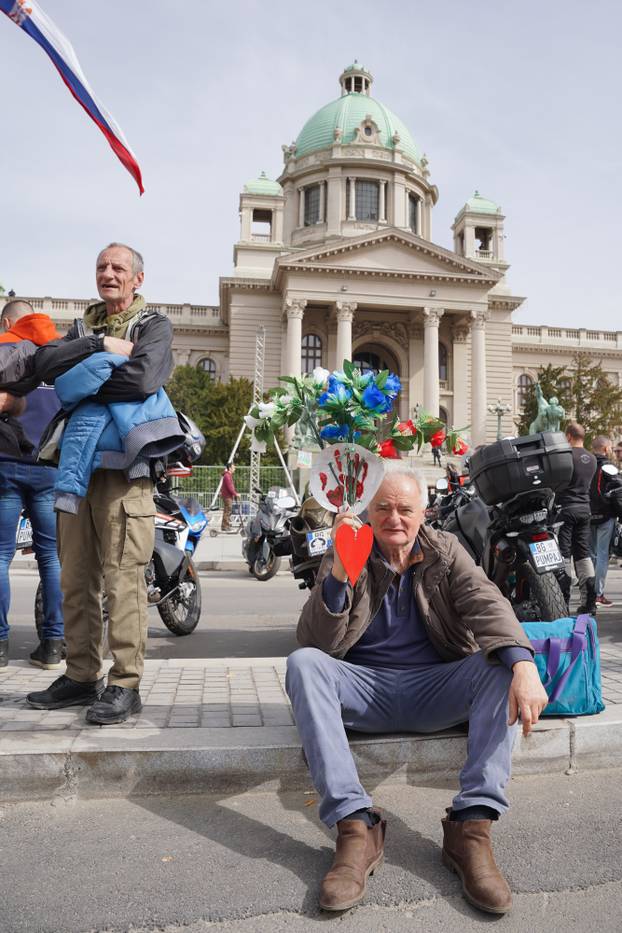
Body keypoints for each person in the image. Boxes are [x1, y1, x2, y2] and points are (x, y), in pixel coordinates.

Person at [286, 463, 546, 916]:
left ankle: (471, 829)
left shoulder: (446, 550)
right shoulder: (350, 546)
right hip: (365, 687)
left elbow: (487, 604)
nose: (394, 518)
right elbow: (314, 641)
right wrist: (339, 576)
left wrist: (524, 664)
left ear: (424, 513)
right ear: (368, 512)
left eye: (405, 509)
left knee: (500, 666)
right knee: (303, 665)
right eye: (383, 508)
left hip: (434, 688)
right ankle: (355, 828)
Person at [24, 243, 174, 724]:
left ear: (137, 279)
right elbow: (46, 369)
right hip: (75, 470)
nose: (108, 273)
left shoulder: (154, 326)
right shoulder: (82, 330)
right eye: (101, 266)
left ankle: (125, 683)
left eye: (118, 267)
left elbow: (142, 380)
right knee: (75, 578)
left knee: (123, 580)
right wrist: (99, 348)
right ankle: (81, 675)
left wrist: (79, 385)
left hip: (123, 474)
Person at [0, 300, 64, 670]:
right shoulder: (59, 352)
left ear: (8, 321)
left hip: (5, 462)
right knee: (51, 557)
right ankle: (53, 645)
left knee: (0, 556)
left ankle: (0, 646)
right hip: (49, 465)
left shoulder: (5, 348)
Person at [556, 422, 597, 614]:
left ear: (569, 437)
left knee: (564, 554)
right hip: (585, 509)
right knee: (583, 554)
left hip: (566, 509)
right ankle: (589, 602)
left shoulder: (565, 456)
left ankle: (563, 600)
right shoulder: (592, 458)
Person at [589, 436, 620, 606]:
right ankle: (598, 594)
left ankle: (589, 593)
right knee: (602, 555)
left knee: (591, 555)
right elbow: (618, 492)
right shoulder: (608, 466)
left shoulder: (586, 464)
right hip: (606, 516)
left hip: (588, 516)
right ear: (606, 448)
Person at [221, 461, 239, 531]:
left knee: (227, 510)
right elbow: (230, 487)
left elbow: (231, 487)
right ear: (230, 468)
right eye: (233, 467)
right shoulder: (227, 476)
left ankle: (225, 525)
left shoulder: (228, 475)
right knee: (228, 511)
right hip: (227, 496)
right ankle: (225, 526)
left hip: (228, 496)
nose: (235, 469)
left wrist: (234, 493)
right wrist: (235, 494)